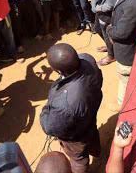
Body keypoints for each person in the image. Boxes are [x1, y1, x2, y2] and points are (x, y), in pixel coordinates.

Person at [40, 43, 103, 173]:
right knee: (92, 135)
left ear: (59, 71)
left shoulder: (64, 104)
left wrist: (45, 111)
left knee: (78, 159)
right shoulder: (88, 60)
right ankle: (98, 153)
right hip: (90, 115)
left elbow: (50, 127)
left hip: (75, 136)